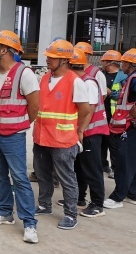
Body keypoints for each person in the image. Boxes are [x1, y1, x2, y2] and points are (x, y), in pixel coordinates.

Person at [0, 30, 39, 244]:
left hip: (13, 136)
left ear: (5, 50)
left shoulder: (24, 74)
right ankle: (4, 211)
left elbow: (34, 106)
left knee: (19, 177)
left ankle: (29, 223)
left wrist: (21, 125)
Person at [33, 39, 90, 231]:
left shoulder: (75, 82)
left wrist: (77, 129)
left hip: (63, 140)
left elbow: (85, 110)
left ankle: (71, 214)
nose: (48, 59)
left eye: (53, 57)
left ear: (65, 60)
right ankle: (44, 205)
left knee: (67, 178)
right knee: (42, 174)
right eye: (48, 56)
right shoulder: (44, 78)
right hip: (41, 136)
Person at [68, 48, 109, 218]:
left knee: (92, 168)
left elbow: (89, 109)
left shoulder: (88, 82)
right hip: (83, 131)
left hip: (91, 132)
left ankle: (97, 204)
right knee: (80, 166)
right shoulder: (78, 81)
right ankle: (80, 198)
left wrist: (81, 130)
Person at [104, 48, 136, 209]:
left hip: (129, 127)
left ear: (129, 64)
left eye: (123, 62)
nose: (121, 65)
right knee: (131, 162)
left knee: (124, 163)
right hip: (128, 126)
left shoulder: (134, 79)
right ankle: (132, 193)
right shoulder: (130, 78)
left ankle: (117, 197)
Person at [100, 50, 126, 178]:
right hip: (101, 115)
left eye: (104, 61)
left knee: (114, 144)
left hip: (115, 117)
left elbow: (124, 95)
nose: (102, 63)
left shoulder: (123, 77)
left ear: (109, 62)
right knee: (102, 143)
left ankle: (115, 168)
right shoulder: (101, 75)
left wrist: (111, 93)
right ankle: (103, 165)